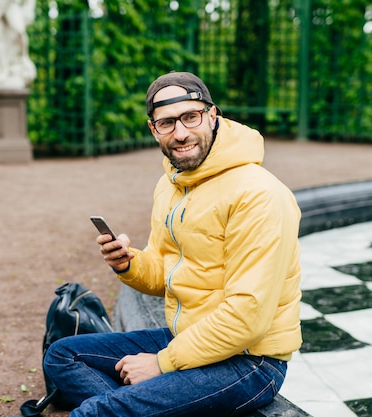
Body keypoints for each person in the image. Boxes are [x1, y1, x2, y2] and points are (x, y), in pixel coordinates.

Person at [43, 71, 302, 416]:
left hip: (250, 362)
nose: (180, 133)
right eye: (167, 123)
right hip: (188, 339)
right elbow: (165, 272)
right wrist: (128, 263)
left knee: (94, 412)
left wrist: (161, 364)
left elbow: (246, 317)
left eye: (190, 117)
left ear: (213, 116)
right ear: (153, 130)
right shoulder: (171, 185)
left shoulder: (259, 194)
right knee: (62, 356)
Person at [0, 0, 37, 89]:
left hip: (11, 3)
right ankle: (4, 69)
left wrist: (29, 7)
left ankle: (24, 57)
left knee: (19, 31)